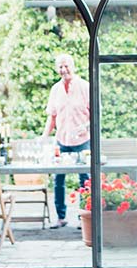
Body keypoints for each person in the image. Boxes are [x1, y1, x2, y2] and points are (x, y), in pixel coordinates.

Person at [42, 53, 90, 229]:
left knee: (85, 180)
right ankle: (60, 217)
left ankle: (84, 217)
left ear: (73, 66)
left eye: (66, 66)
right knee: (58, 179)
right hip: (61, 140)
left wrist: (86, 127)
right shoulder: (55, 89)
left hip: (83, 141)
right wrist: (44, 138)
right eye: (60, 67)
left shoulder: (85, 86)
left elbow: (95, 114)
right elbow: (52, 117)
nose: (63, 70)